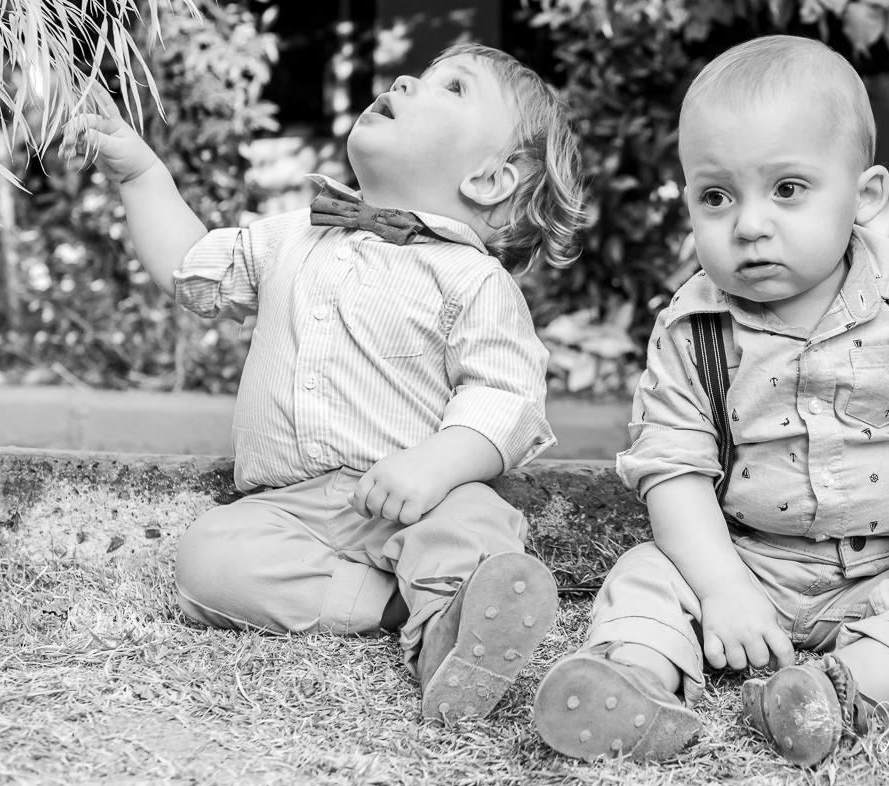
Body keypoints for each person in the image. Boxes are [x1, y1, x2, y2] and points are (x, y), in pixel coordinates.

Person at [532, 35, 889, 766]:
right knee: (644, 572)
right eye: (716, 196)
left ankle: (836, 692)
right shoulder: (692, 330)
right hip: (746, 558)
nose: (749, 225)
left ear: (866, 195)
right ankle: (634, 679)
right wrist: (724, 587)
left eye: (787, 189)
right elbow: (674, 470)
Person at [62, 42, 586, 723]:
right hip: (290, 508)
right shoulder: (291, 238)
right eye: (420, 76)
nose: (404, 79)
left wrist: (435, 465)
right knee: (208, 560)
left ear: (491, 179)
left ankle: (455, 625)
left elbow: (506, 398)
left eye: (450, 88)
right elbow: (191, 267)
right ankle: (414, 611)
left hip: (419, 500)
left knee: (475, 520)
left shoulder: (472, 279)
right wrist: (140, 175)